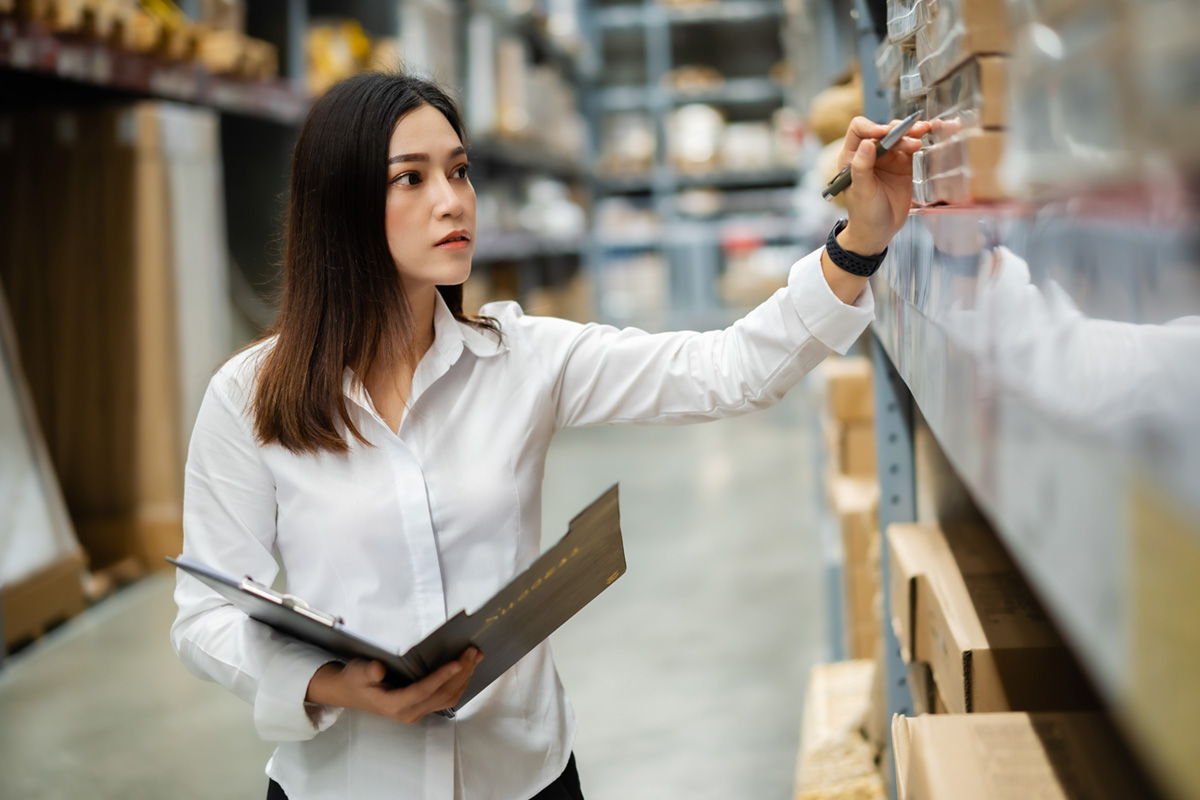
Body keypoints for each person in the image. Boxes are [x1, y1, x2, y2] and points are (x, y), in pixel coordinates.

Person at [170, 70, 927, 800]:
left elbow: (726, 370)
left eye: (459, 171)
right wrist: (332, 686)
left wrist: (858, 240)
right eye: (412, 178)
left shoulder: (517, 358)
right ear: (341, 205)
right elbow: (204, 616)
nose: (452, 201)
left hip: (523, 777)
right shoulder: (250, 396)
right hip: (344, 783)